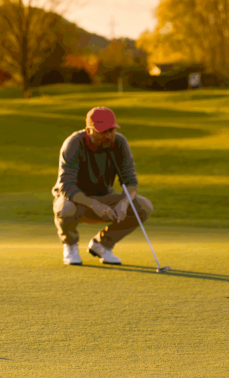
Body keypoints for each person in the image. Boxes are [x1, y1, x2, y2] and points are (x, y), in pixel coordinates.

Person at [51, 107, 154, 266]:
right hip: (75, 200)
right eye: (102, 132)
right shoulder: (73, 144)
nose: (108, 136)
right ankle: (70, 245)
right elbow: (66, 187)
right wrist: (95, 204)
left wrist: (123, 203)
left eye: (111, 130)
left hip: (105, 198)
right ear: (88, 130)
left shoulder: (119, 142)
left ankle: (102, 244)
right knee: (65, 209)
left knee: (143, 206)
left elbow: (130, 182)